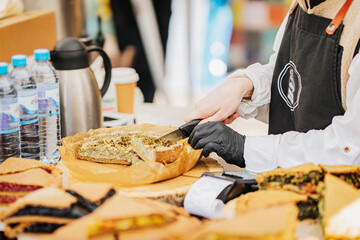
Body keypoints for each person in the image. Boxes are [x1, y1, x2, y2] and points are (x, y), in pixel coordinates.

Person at [185, 0, 360, 173]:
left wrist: (244, 148)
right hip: (287, 185)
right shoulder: (300, 5)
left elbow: (349, 147)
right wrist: (244, 86)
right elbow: (290, 79)